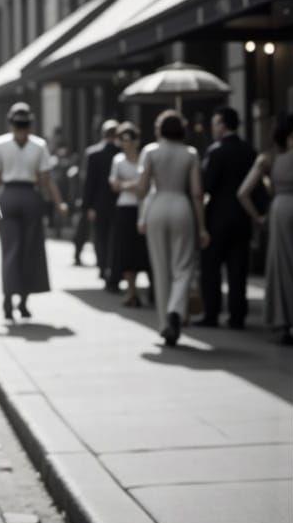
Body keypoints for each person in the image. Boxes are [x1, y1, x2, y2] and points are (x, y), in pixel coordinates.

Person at [136, 110, 210, 347]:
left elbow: (143, 187)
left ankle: (164, 321)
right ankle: (176, 309)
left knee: (160, 267)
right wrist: (202, 227)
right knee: (183, 265)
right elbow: (197, 193)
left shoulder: (150, 151)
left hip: (157, 205)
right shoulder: (190, 153)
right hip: (181, 206)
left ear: (160, 129)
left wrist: (142, 214)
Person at [0, 102, 66, 322]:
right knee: (30, 250)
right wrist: (58, 203)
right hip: (31, 196)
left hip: (8, 197)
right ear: (30, 124)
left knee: (10, 250)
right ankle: (22, 302)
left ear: (10, 123)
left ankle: (7, 298)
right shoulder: (39, 145)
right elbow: (45, 180)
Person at [196, 106, 259, 329]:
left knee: (211, 268)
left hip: (217, 218)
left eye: (215, 124)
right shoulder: (249, 150)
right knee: (238, 269)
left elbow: (207, 186)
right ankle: (237, 315)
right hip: (242, 217)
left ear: (223, 125)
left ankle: (211, 313)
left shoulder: (216, 151)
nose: (213, 129)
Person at [237, 111, 293, 344]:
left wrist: (259, 218)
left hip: (280, 210)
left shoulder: (268, 158)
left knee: (282, 266)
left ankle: (284, 321)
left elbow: (243, 192)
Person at [108, 122, 150, 307]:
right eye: (122, 140)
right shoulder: (117, 160)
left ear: (136, 141)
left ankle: (150, 291)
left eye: (128, 139)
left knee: (143, 251)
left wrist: (127, 184)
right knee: (126, 251)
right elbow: (115, 185)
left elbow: (146, 185)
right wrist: (133, 185)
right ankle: (131, 291)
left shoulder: (144, 158)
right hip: (124, 208)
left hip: (143, 207)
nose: (125, 144)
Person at [83, 120, 121, 289]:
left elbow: (89, 182)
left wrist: (88, 205)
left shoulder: (93, 153)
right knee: (115, 239)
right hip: (120, 203)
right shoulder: (121, 152)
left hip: (99, 203)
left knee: (101, 238)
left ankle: (103, 267)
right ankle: (113, 270)